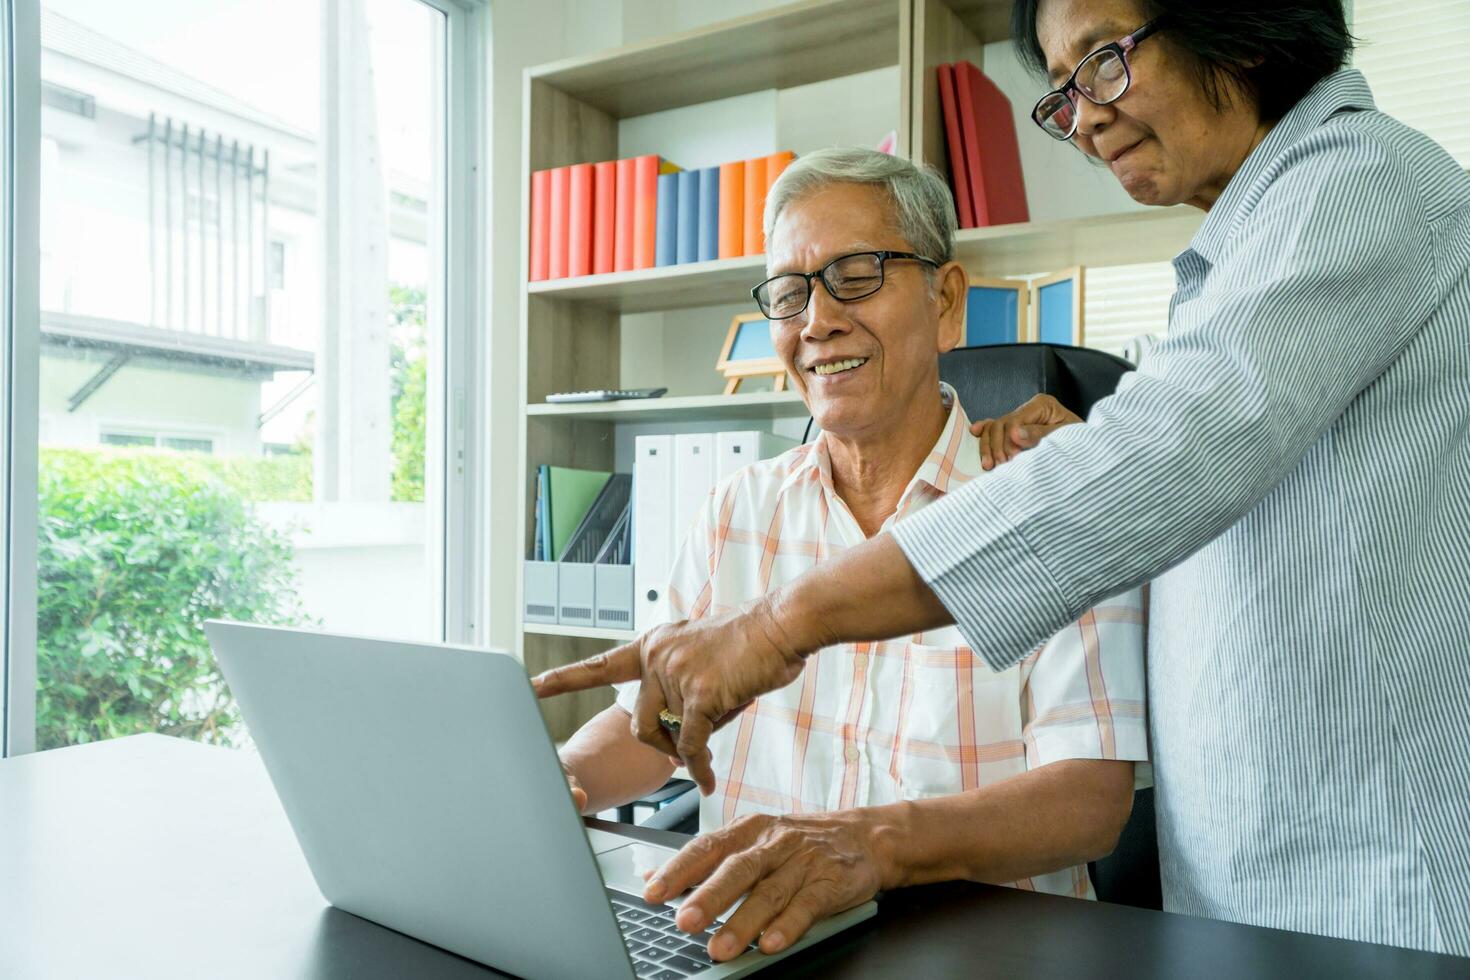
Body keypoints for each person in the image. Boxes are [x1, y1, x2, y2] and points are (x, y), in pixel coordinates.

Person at [534, 0, 1470, 958]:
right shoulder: (747, 504)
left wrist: (779, 626)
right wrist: (529, 791)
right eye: (1065, 90)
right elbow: (657, 722)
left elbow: (1145, 471)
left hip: (1367, 894)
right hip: (1241, 895)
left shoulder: (1358, 189)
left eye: (1103, 61)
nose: (1085, 115)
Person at [544, 150, 1149, 962]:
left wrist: (870, 845)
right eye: (789, 293)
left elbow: (1088, 798)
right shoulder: (734, 510)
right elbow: (651, 727)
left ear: (947, 302)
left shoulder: (1047, 501)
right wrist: (550, 782)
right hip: (746, 951)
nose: (817, 320)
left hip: (977, 958)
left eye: (856, 274)